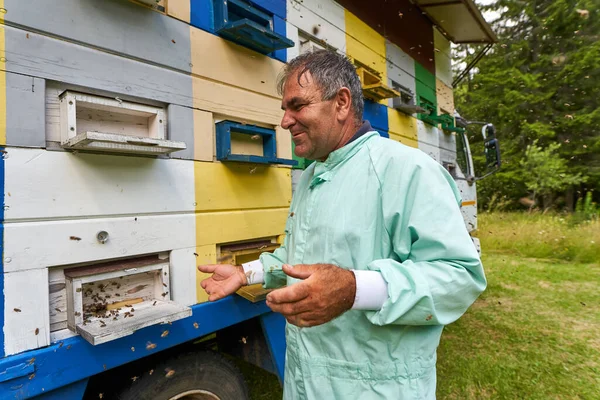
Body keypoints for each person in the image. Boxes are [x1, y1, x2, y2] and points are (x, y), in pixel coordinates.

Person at [198, 50, 486, 399]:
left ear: (342, 103)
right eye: (284, 110)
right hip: (306, 383)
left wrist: (353, 288)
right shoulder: (311, 176)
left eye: (297, 106)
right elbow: (296, 257)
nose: (285, 121)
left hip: (377, 389)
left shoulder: (408, 170)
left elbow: (458, 276)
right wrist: (247, 274)